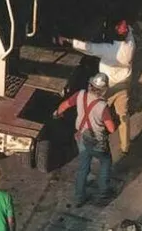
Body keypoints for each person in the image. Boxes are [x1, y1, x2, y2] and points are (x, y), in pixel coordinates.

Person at [57, 19, 136, 154]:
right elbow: (129, 32)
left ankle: (97, 139)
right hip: (124, 85)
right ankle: (125, 146)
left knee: (98, 112)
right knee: (123, 115)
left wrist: (68, 40)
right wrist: (127, 28)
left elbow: (87, 47)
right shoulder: (130, 46)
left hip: (106, 87)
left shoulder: (107, 50)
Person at [53, 72, 116, 207]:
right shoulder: (102, 106)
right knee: (105, 162)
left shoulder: (80, 95)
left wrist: (57, 113)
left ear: (90, 85)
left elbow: (64, 105)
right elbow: (111, 129)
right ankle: (103, 192)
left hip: (81, 137)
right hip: (97, 141)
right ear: (104, 90)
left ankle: (79, 197)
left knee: (83, 167)